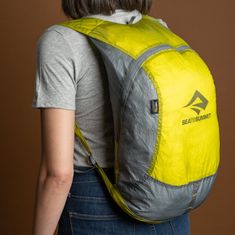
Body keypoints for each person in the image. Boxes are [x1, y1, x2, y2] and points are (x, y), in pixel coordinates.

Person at [31, 1, 190, 234]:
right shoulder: (158, 28)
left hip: (97, 202)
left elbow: (58, 174)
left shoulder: (62, 40)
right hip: (166, 199)